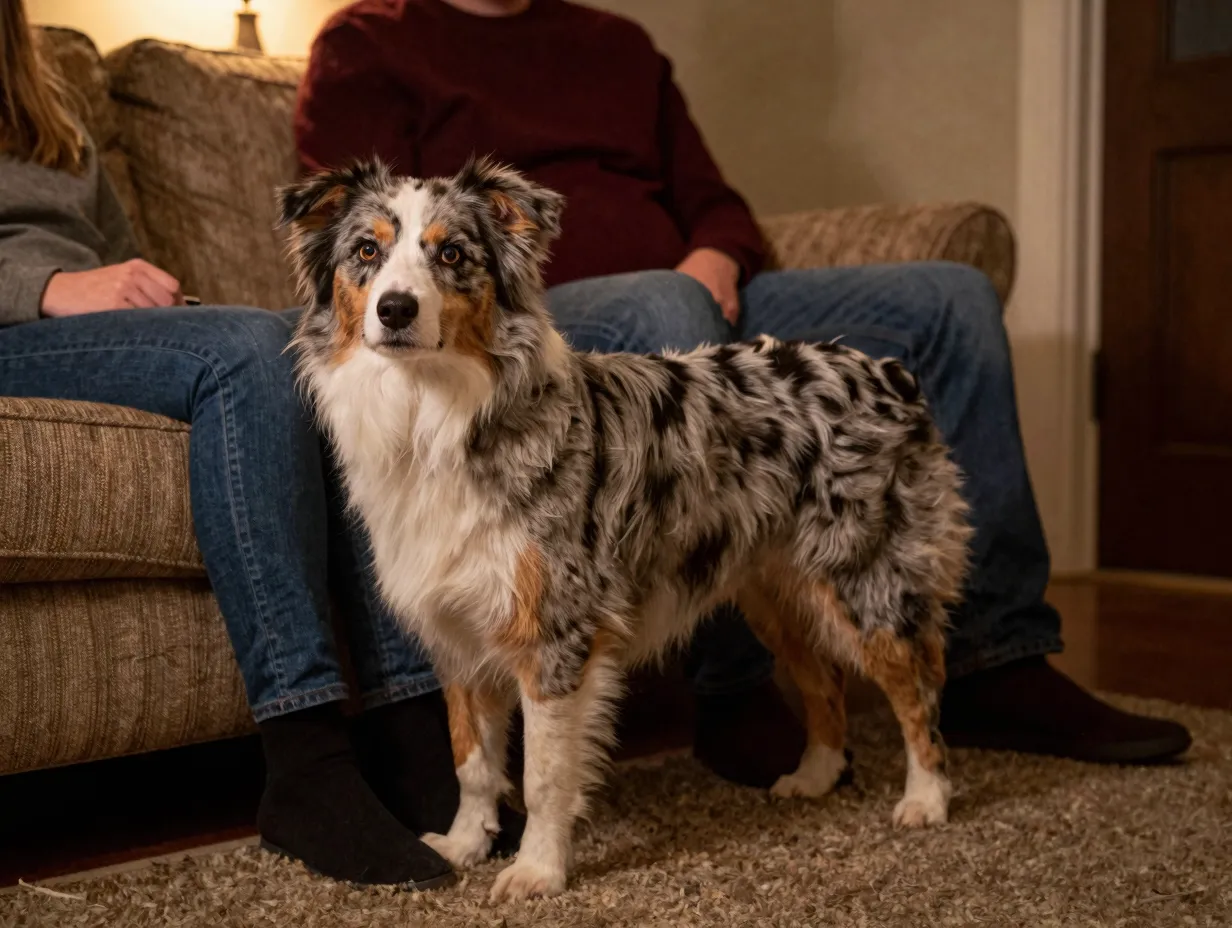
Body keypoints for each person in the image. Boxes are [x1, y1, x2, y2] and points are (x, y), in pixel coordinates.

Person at [295, 0, 1192, 778]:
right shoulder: (368, 44)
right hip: (537, 318)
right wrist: (673, 280)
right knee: (664, 298)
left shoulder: (617, 44)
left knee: (948, 301)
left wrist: (719, 250)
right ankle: (729, 685)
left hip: (698, 281)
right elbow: (376, 256)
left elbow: (713, 197)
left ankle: (1003, 657)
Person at [0, 0, 490, 889]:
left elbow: (117, 256)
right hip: (14, 325)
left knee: (304, 354)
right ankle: (306, 761)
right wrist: (47, 285)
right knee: (251, 352)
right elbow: (70, 273)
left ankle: (416, 730)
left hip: (73, 329)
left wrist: (139, 296)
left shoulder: (47, 103)